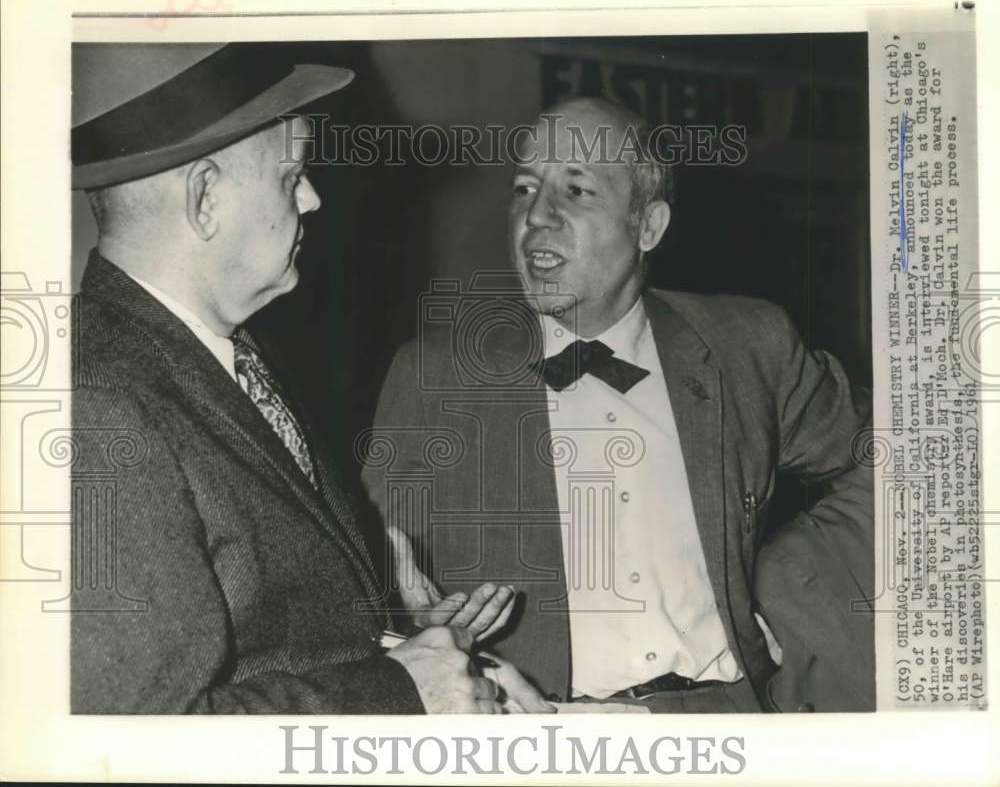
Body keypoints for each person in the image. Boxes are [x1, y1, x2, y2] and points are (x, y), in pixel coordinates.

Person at [69, 43, 548, 715]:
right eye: (291, 176)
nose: (314, 198)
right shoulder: (97, 404)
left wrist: (459, 674)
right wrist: (407, 693)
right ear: (206, 198)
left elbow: (279, 640)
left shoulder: (226, 357)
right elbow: (147, 736)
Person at [362, 97, 874, 713]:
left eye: (576, 191)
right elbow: (360, 583)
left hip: (729, 722)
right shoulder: (433, 375)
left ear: (647, 226)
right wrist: (415, 624)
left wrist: (790, 588)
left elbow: (905, 452)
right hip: (539, 734)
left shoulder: (747, 345)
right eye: (525, 188)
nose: (537, 217)